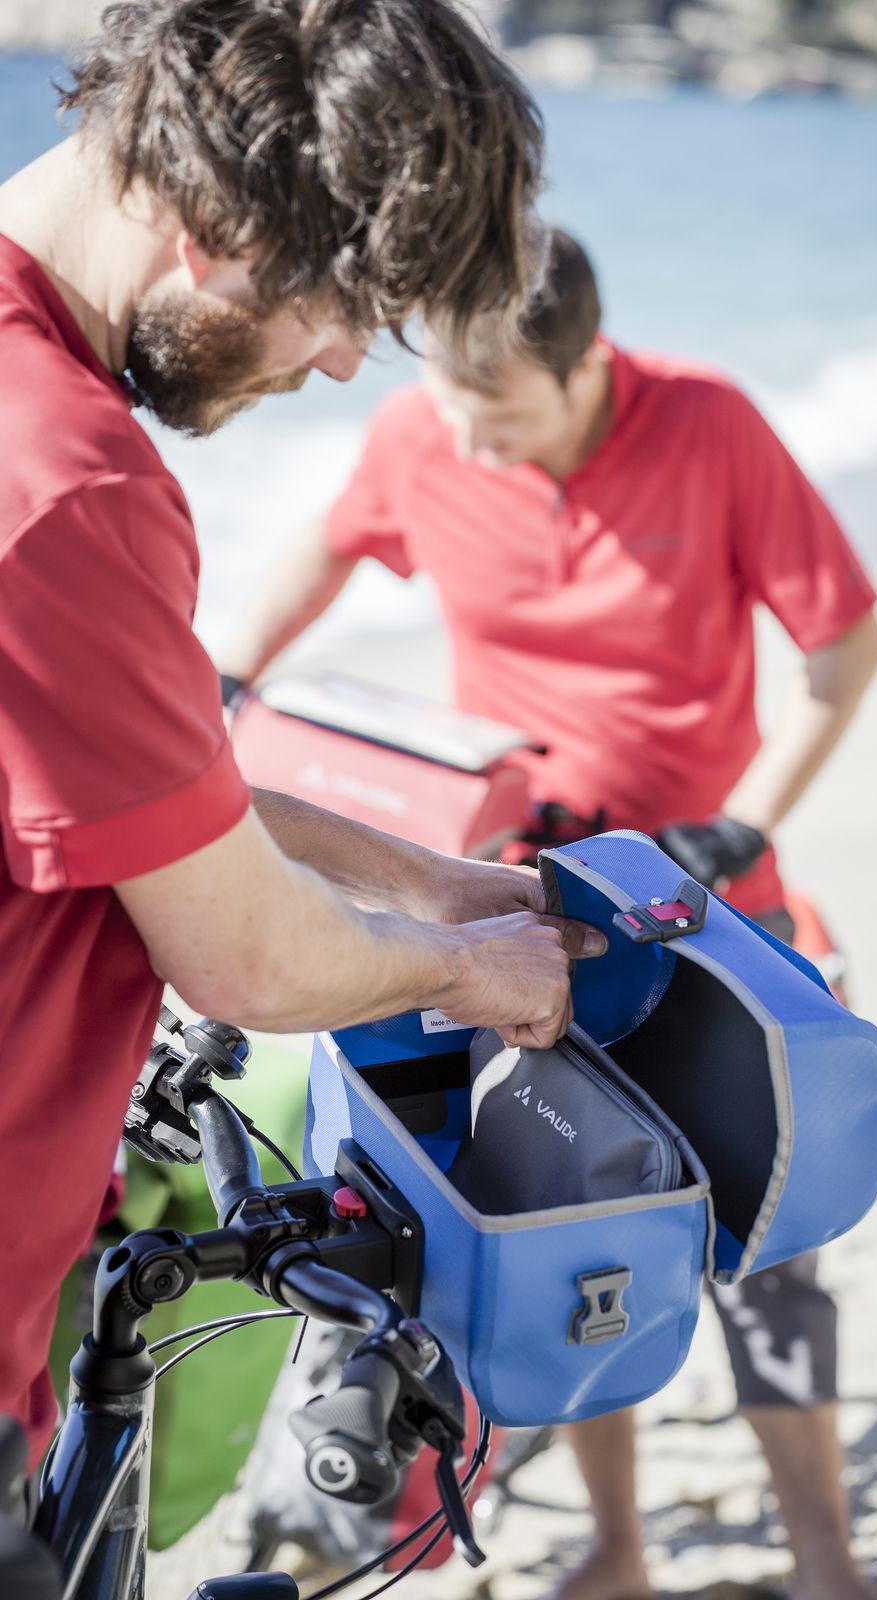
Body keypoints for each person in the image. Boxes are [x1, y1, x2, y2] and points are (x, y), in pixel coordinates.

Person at [221, 229, 877, 1600]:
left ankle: (827, 1562)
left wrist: (747, 822)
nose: (467, 445)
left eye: (503, 415)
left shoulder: (709, 427)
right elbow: (323, 547)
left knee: (771, 1254)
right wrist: (220, 680)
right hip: (527, 918)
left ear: (589, 365)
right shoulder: (429, 432)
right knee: (577, 1244)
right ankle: (621, 1552)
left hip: (703, 919)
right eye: (451, 410)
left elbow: (845, 649)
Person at [0, 2, 612, 1485]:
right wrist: (472, 966)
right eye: (342, 307)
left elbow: (133, 793)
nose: (344, 364)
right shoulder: (67, 482)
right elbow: (254, 961)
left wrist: (430, 880)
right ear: (214, 221)